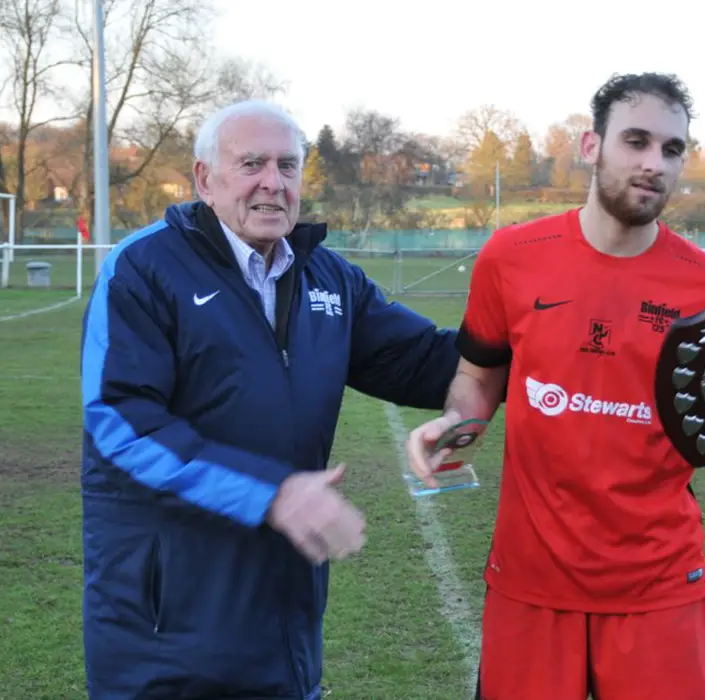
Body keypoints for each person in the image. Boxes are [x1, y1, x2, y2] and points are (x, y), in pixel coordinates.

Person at [406, 73, 705, 700]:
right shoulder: (511, 256)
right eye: (636, 140)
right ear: (590, 145)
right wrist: (456, 426)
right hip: (530, 579)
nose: (653, 163)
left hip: (657, 583)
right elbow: (477, 377)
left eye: (672, 149)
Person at [79, 100, 461, 700]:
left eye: (287, 166)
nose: (272, 182)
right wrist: (272, 493)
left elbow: (426, 361)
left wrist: (538, 339)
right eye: (251, 163)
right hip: (163, 635)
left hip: (283, 622)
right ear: (205, 179)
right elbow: (121, 420)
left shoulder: (328, 279)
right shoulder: (144, 269)